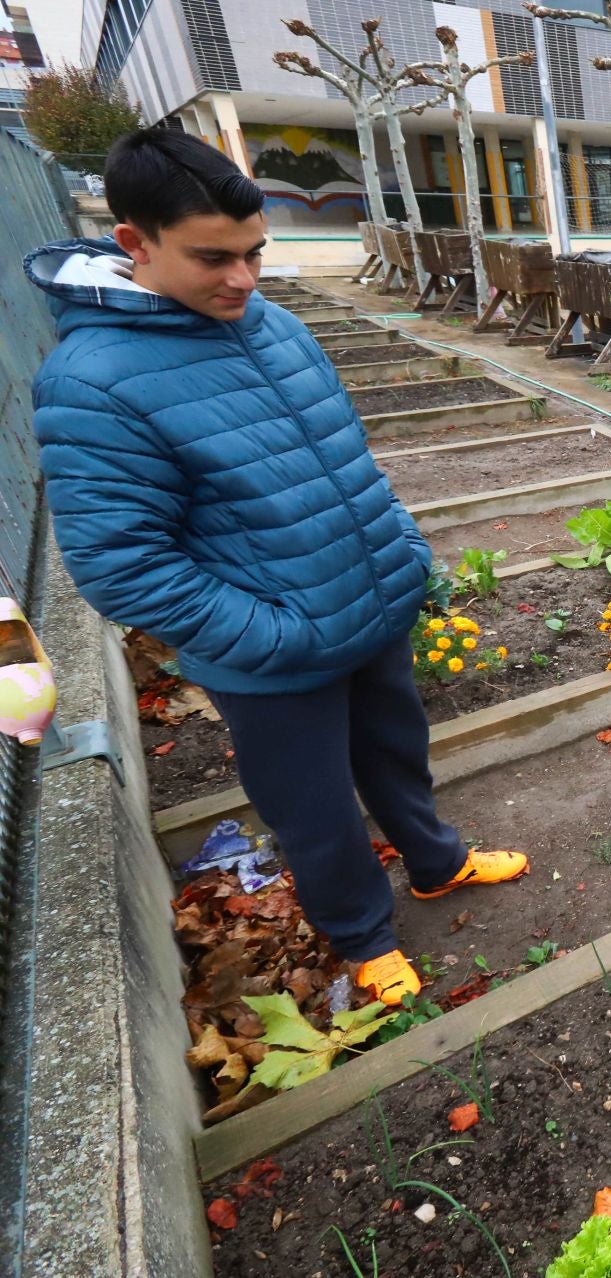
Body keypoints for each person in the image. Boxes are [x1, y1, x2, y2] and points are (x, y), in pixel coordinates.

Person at [27, 130, 527, 1007]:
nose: (243, 279)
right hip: (275, 651)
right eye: (212, 258)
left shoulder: (269, 322)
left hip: (368, 601)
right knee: (315, 808)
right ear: (133, 244)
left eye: (255, 252)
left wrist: (403, 553)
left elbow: (346, 456)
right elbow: (119, 564)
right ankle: (362, 936)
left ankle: (437, 864)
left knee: (396, 754)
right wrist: (278, 635)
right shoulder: (92, 380)